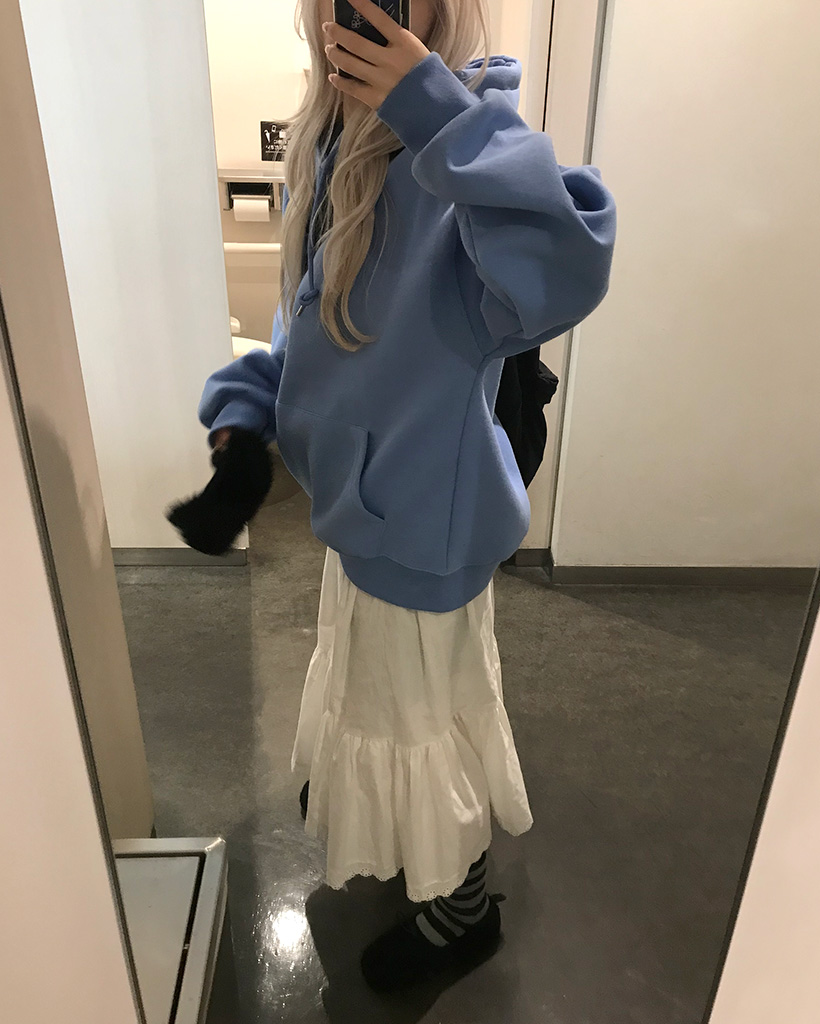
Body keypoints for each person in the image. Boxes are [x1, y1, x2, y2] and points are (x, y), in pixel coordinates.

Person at [198, 0, 616, 992]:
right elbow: (305, 328)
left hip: (425, 528)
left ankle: (463, 915)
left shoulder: (465, 136)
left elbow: (568, 267)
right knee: (392, 707)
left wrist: (431, 111)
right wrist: (244, 414)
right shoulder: (331, 141)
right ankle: (413, 852)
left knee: (428, 729)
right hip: (358, 516)